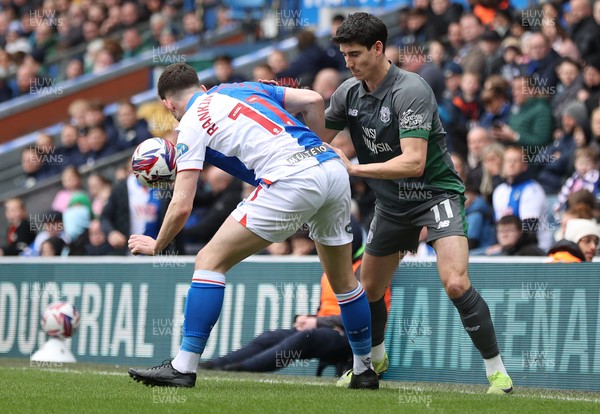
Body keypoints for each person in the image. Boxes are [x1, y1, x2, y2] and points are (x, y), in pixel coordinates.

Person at [127, 63, 377, 389]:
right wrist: (315, 144)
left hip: (289, 178)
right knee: (344, 281)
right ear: (201, 87)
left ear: (168, 104)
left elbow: (182, 204)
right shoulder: (241, 87)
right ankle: (363, 370)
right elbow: (314, 99)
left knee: (208, 262)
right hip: (330, 168)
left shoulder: (190, 123)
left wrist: (157, 244)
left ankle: (183, 368)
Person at [322, 12, 513, 394]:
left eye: (355, 54)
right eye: (344, 55)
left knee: (456, 283)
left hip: (435, 195)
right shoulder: (347, 92)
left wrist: (354, 170)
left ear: (378, 49)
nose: (349, 62)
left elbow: (414, 161)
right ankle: (374, 360)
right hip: (391, 205)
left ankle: (498, 373)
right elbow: (316, 137)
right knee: (367, 290)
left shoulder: (411, 89)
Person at [199, 218, 391, 374]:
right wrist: (307, 319)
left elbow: (366, 316)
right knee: (271, 336)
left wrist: (316, 323)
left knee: (306, 337)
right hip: (327, 329)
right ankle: (217, 365)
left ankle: (242, 369)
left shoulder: (365, 273)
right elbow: (325, 309)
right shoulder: (332, 271)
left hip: (352, 338)